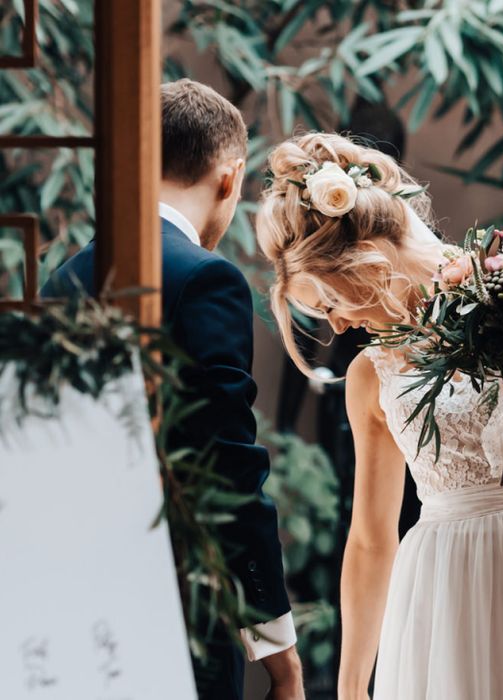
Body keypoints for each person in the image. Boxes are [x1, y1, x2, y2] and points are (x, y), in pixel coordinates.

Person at [255, 132, 503, 700]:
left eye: (329, 304)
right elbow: (370, 538)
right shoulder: (372, 374)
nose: (337, 326)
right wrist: (350, 687)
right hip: (450, 588)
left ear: (363, 263)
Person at [41, 79, 303, 700]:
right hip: (173, 608)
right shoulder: (205, 278)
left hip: (66, 608)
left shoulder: (63, 277)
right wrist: (281, 658)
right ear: (229, 178)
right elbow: (229, 470)